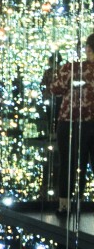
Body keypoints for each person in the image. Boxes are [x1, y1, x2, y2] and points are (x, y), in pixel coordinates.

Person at [48, 33, 94, 213]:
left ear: (88, 49)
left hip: (71, 121)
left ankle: (65, 205)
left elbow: (55, 88)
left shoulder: (73, 68)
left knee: (69, 163)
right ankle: (80, 201)